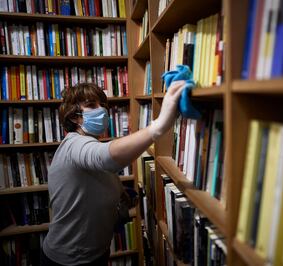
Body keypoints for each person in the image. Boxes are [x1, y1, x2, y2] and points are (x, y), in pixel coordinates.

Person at [41, 81, 186, 266]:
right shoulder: (73, 144)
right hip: (68, 261)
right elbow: (104, 159)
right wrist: (158, 127)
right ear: (75, 117)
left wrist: (120, 193)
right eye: (91, 105)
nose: (101, 110)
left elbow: (99, 178)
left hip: (96, 254)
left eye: (103, 105)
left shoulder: (90, 143)